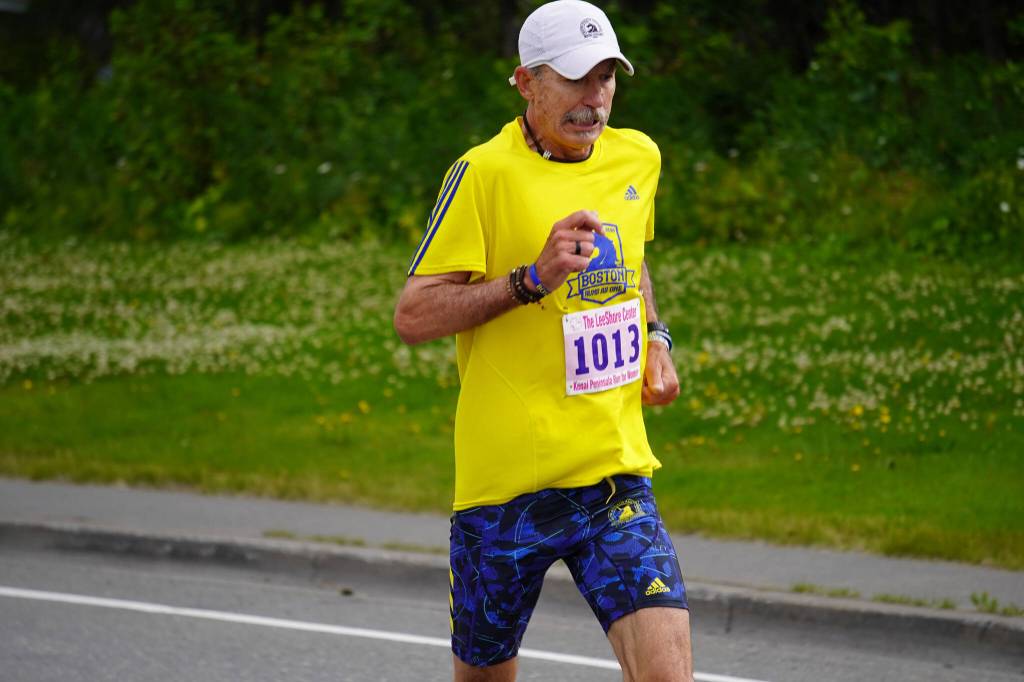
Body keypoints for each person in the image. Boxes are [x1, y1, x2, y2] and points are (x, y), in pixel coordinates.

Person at [394, 1, 692, 679]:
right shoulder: (482, 174)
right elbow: (413, 317)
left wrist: (655, 338)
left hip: (611, 476)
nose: (596, 99)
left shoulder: (637, 157)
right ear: (527, 83)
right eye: (576, 79)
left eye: (608, 77)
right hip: (506, 492)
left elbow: (631, 260)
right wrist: (530, 280)